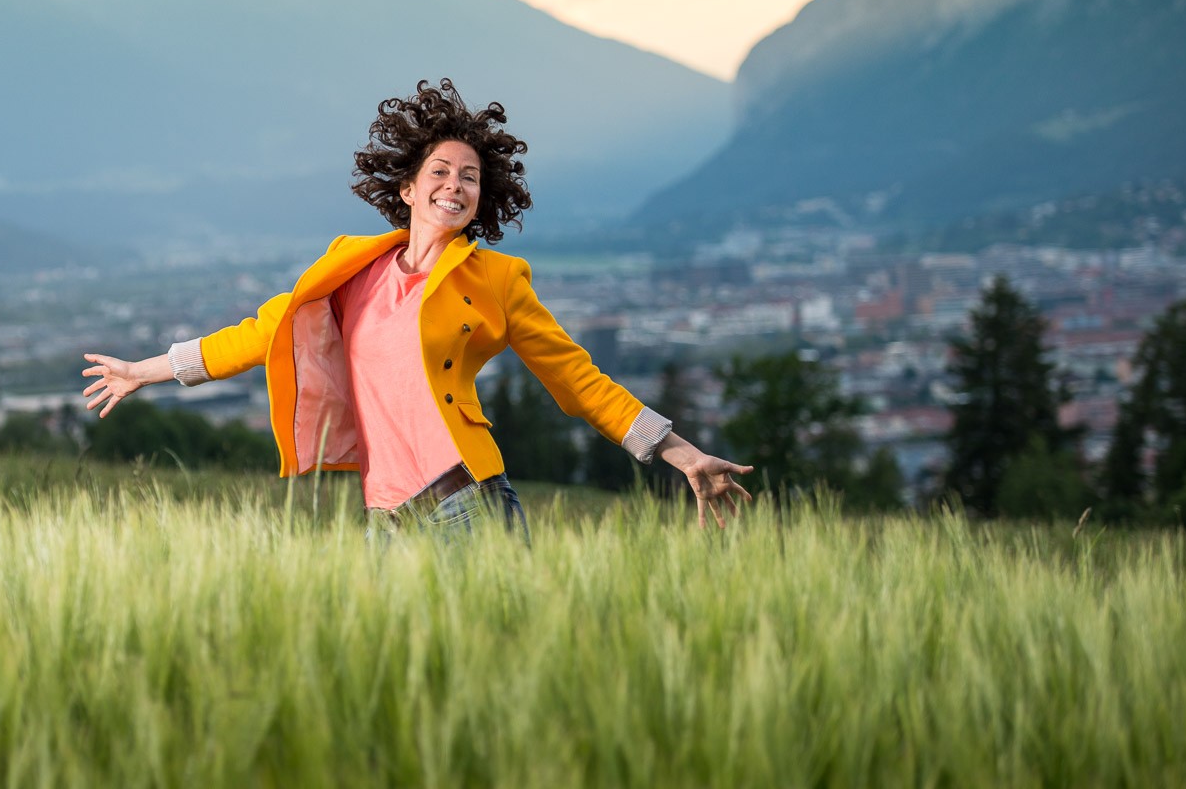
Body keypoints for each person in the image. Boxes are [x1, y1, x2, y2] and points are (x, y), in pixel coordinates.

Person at [82, 79, 753, 535]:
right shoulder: (353, 269)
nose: (455, 184)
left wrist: (678, 450)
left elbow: (577, 381)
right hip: (387, 518)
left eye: (469, 176)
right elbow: (263, 333)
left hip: (468, 500)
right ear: (406, 187)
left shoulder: (497, 278)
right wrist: (146, 372)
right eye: (440, 170)